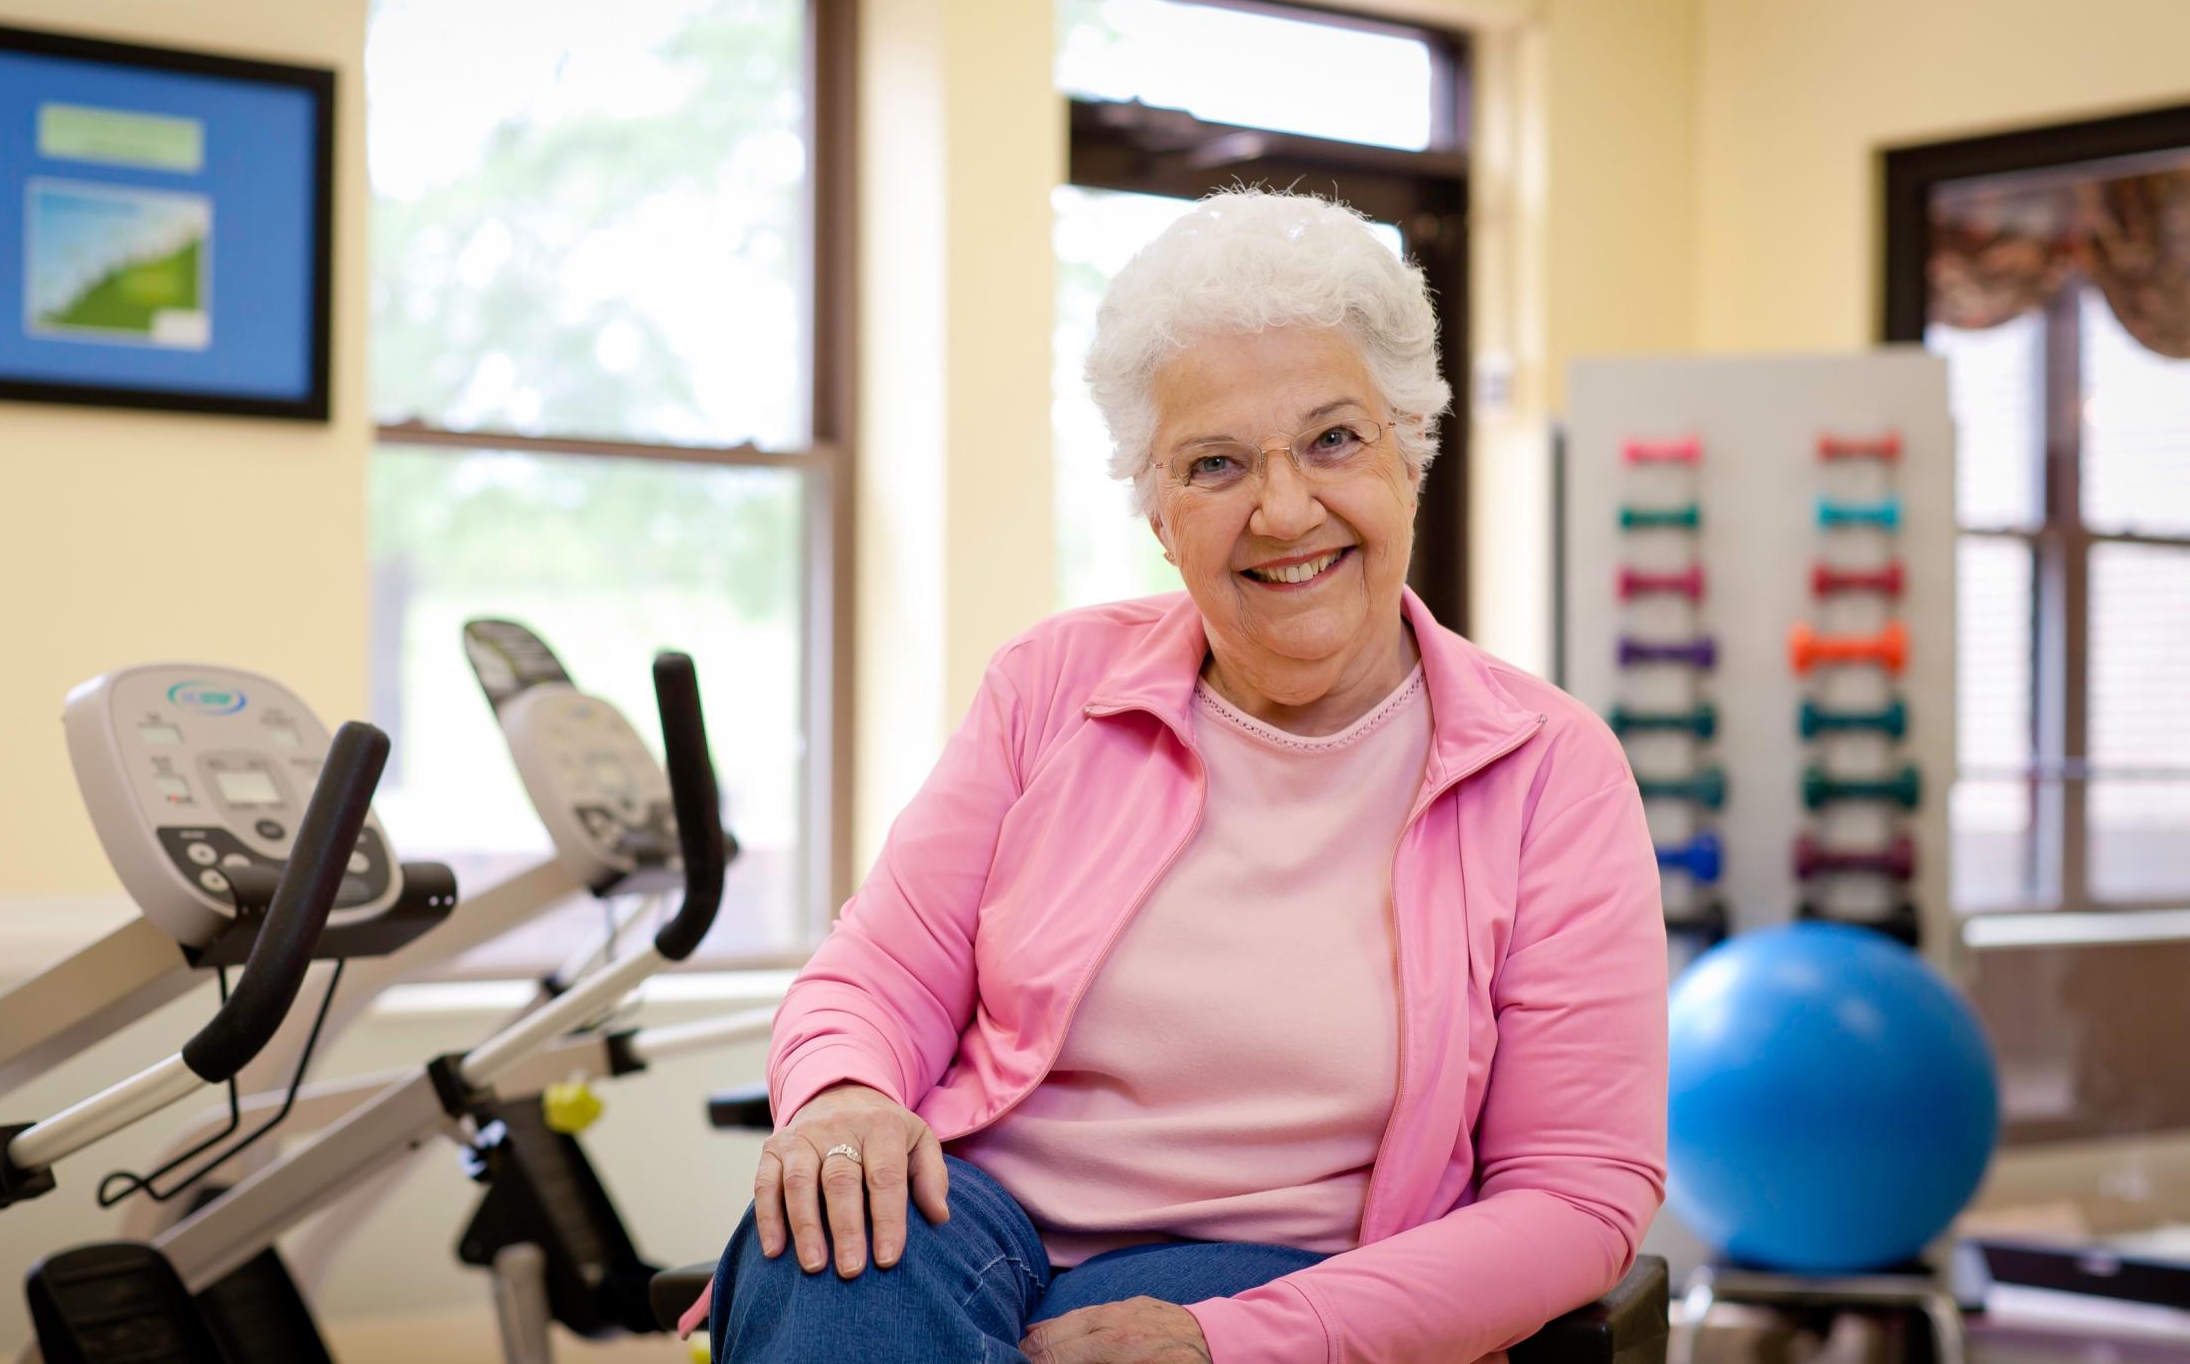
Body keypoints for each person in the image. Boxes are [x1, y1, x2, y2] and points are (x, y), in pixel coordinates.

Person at [690, 188, 1667, 1363]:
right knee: (835, 1241)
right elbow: (880, 970)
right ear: (1158, 514)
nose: (1283, 508)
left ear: (1411, 453)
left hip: (1296, 1271)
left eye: (1333, 439)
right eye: (1214, 464)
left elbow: (1576, 1196)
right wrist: (842, 1092)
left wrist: (1226, 1342)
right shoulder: (1053, 683)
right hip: (980, 1222)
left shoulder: (1548, 768)